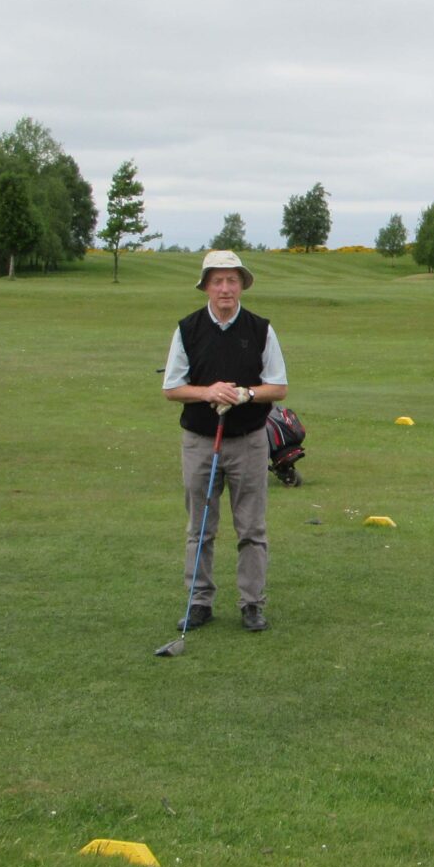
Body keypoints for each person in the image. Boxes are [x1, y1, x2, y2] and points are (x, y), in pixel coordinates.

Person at [162, 251, 289, 633]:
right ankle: (199, 601)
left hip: (249, 441)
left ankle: (252, 604)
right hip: (200, 441)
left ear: (242, 285)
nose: (225, 289)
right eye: (217, 281)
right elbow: (172, 389)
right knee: (200, 527)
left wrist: (245, 395)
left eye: (232, 280)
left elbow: (278, 387)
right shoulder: (187, 329)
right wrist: (209, 392)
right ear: (206, 286)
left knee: (251, 528)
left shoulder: (261, 329)